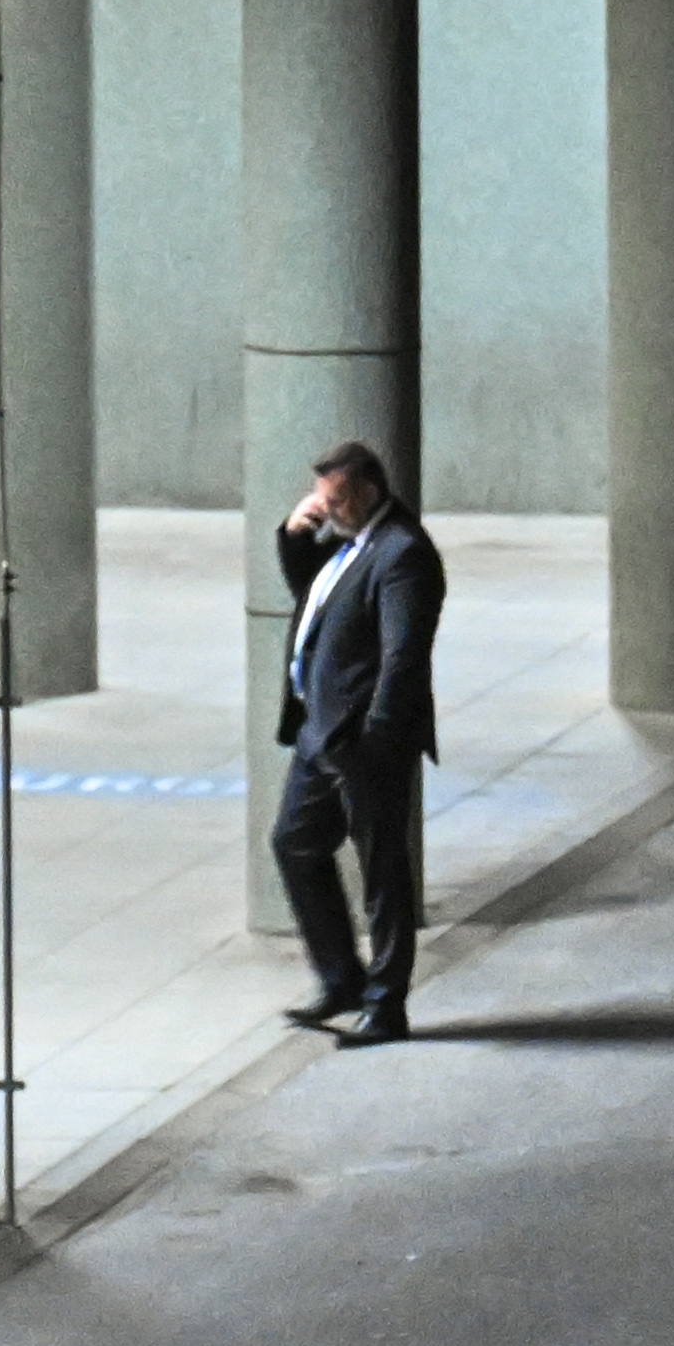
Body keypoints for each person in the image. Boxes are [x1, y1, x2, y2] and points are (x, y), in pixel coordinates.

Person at [270, 442, 447, 1046]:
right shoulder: (348, 545)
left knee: (382, 870)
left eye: (335, 498)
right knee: (295, 844)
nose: (326, 508)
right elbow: (312, 602)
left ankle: (385, 1005)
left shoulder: (403, 554)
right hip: (320, 733)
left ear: (369, 491)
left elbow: (403, 656)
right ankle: (340, 978)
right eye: (321, 496)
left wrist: (375, 738)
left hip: (362, 744)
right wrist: (296, 537)